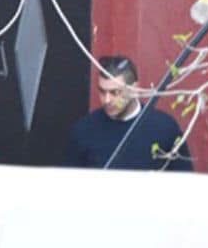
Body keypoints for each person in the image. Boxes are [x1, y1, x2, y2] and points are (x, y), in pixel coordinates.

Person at [63, 56, 193, 171]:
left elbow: (184, 180)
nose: (107, 100)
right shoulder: (84, 130)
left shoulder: (164, 128)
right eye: (102, 91)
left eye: (115, 92)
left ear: (134, 89)